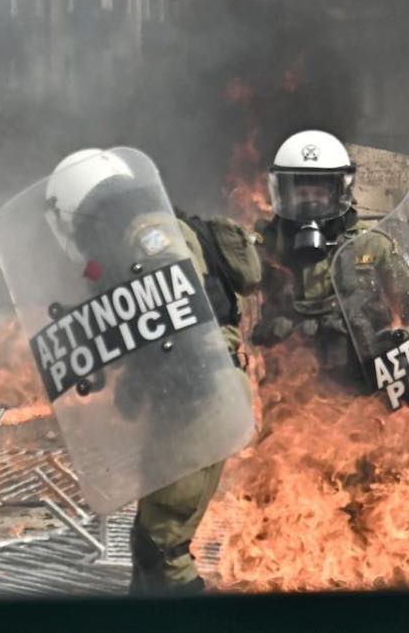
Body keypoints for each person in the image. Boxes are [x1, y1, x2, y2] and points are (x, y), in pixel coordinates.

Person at [45, 148, 261, 594]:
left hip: (200, 392)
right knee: (148, 543)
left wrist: (163, 373)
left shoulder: (150, 231)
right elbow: (147, 319)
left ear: (78, 203)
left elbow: (176, 298)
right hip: (185, 393)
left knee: (163, 549)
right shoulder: (125, 238)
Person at [251, 130, 409, 387]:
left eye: (318, 194)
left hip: (363, 383)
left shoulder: (370, 243)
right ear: (284, 194)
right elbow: (231, 287)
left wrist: (405, 339)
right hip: (290, 386)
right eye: (302, 195)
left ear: (339, 192)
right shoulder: (267, 245)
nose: (310, 203)